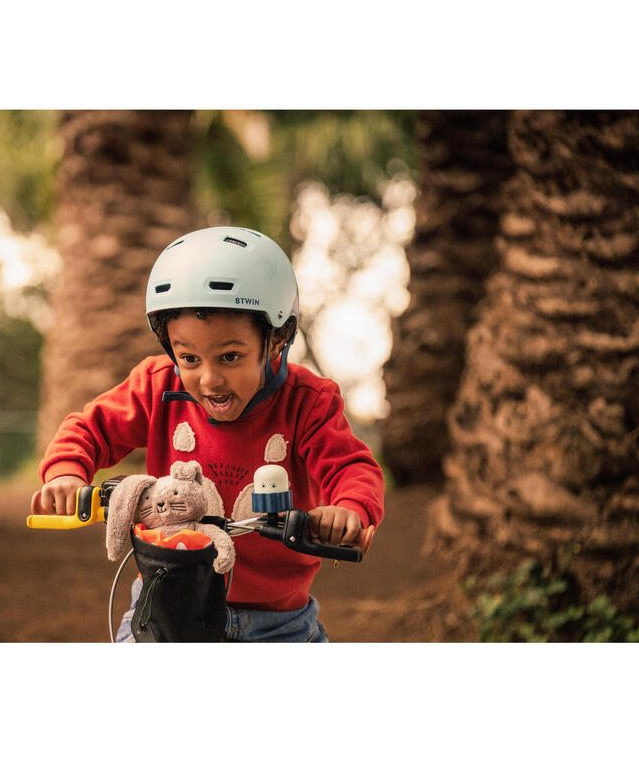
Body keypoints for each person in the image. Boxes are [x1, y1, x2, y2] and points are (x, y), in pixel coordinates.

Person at [33, 226, 385, 641]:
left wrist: (349, 509)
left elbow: (351, 467)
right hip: (166, 601)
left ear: (277, 341)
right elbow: (88, 428)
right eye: (189, 358)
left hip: (278, 623)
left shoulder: (308, 402)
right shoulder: (157, 385)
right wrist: (66, 473)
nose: (209, 378)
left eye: (230, 356)